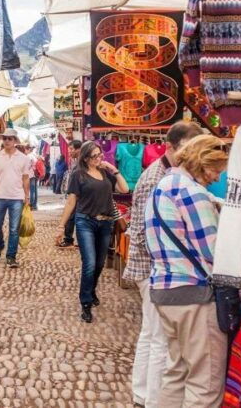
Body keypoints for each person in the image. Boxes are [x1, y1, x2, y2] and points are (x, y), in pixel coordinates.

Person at [144, 135, 229, 407]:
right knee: (204, 384)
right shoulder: (193, 193)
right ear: (201, 164)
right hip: (194, 296)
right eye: (215, 170)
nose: (217, 177)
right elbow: (215, 252)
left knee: (176, 372)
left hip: (165, 291)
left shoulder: (165, 185)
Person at [123, 121, 203, 408]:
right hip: (153, 269)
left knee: (151, 335)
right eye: (187, 149)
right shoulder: (156, 177)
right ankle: (152, 399)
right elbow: (143, 232)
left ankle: (143, 395)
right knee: (158, 339)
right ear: (170, 147)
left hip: (156, 269)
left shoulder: (165, 174)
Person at [56, 141, 129, 322]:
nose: (99, 158)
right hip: (85, 222)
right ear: (86, 158)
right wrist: (61, 226)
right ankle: (86, 303)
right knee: (89, 263)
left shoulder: (105, 173)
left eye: (100, 155)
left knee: (99, 263)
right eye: (95, 156)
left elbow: (125, 189)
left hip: (105, 223)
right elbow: (72, 202)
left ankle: (91, 289)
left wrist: (114, 169)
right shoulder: (78, 175)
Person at [0, 128, 32, 268]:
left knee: (14, 229)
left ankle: (11, 256)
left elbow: (26, 178)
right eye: (5, 138)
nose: (7, 141)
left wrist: (27, 196)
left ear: (15, 141)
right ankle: (0, 245)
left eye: (10, 138)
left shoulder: (24, 158)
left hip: (17, 197)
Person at [58, 140, 83, 248]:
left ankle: (70, 239)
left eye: (72, 149)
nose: (70, 151)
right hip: (74, 193)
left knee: (73, 216)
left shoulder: (82, 163)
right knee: (72, 216)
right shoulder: (76, 161)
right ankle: (70, 239)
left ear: (79, 149)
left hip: (79, 195)